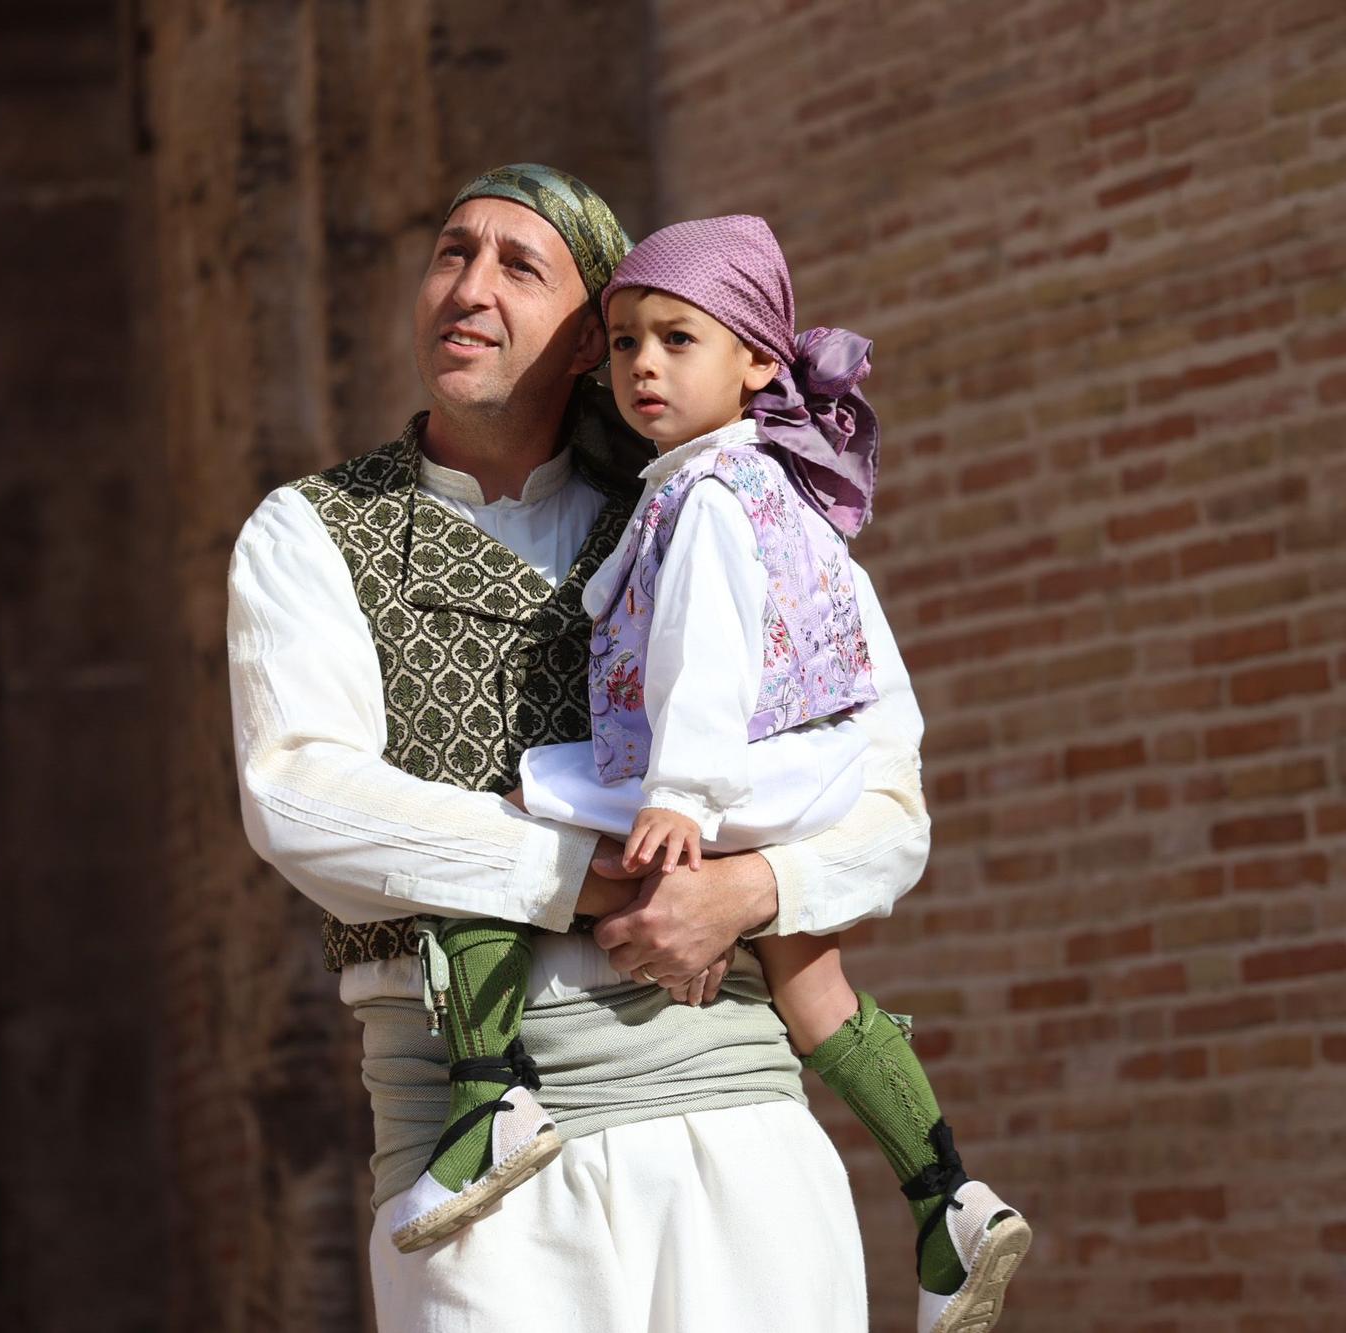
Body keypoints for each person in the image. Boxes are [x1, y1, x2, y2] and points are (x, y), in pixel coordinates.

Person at [229, 163, 929, 1330]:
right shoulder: (310, 535)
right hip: (473, 1187)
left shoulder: (730, 506)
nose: (467, 287)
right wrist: (578, 876)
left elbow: (888, 801)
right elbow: (298, 795)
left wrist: (748, 890)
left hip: (729, 1139)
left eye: (518, 265)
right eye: (451, 252)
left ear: (586, 342)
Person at [398, 214, 1031, 1332]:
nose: (644, 365)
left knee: (492, 823)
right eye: (628, 340)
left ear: (754, 359)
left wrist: (679, 803)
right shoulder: (786, 485)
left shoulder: (704, 497)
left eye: (677, 340)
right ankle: (947, 1199)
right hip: (799, 774)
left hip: (711, 773)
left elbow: (701, 658)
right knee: (808, 983)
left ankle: (487, 1098)